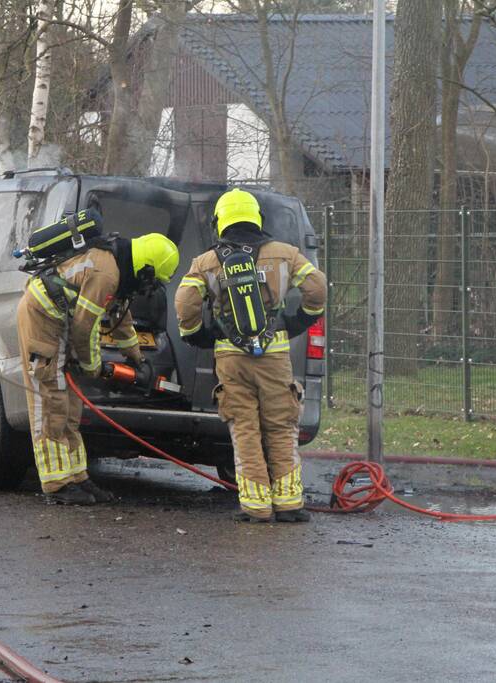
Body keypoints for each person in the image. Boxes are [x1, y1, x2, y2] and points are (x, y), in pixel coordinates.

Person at [175, 189, 326, 523]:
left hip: (231, 358)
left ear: (220, 221)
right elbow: (317, 287)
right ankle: (289, 503)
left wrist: (199, 333)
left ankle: (256, 506)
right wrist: (297, 320)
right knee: (281, 426)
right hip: (274, 356)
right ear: (257, 217)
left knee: (245, 429)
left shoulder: (206, 262)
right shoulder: (285, 254)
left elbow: (185, 303)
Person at [17, 229, 179, 504]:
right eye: (151, 282)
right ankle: (57, 483)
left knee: (72, 406)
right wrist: (93, 367)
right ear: (146, 270)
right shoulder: (106, 273)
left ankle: (77, 477)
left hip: (62, 319)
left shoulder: (120, 270)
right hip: (42, 317)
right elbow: (85, 328)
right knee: (51, 400)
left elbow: (121, 317)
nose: (147, 289)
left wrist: (136, 357)